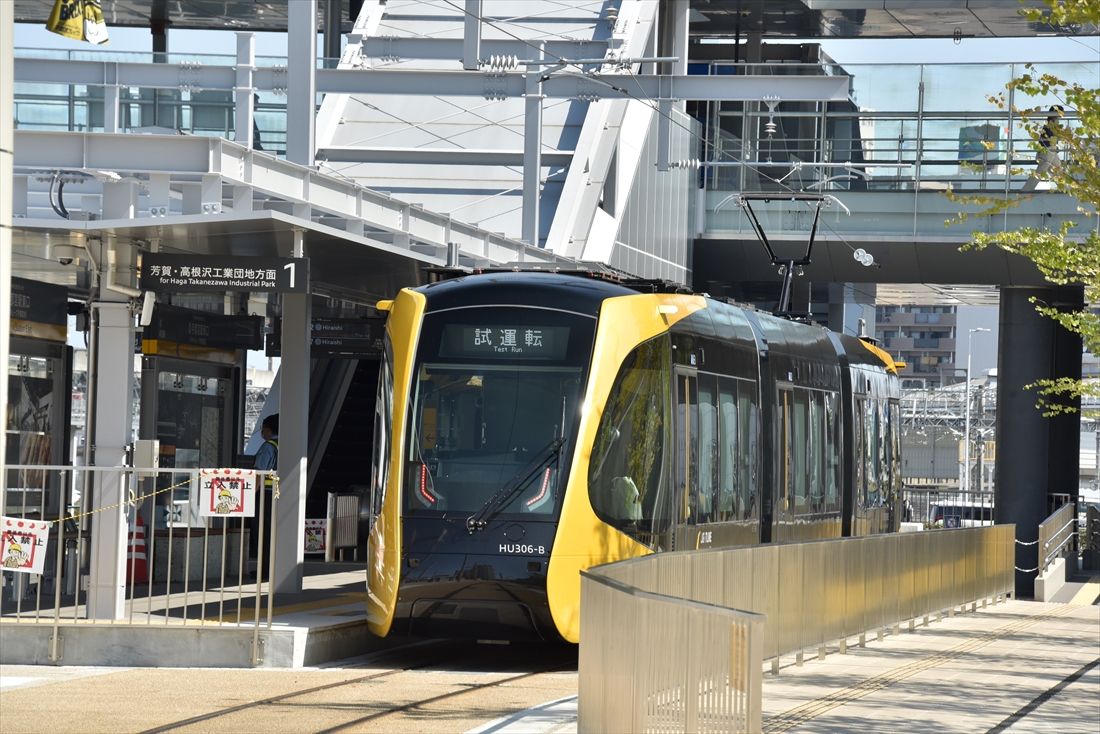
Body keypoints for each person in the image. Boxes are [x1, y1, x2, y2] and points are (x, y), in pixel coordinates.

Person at [249, 414, 278, 579]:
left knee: (262, 532)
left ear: (267, 429)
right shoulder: (286, 444)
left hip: (265, 496)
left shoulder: (268, 446)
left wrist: (251, 494)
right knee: (273, 532)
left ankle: (264, 570)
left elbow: (259, 473)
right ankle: (273, 568)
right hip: (278, 493)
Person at [1022, 105, 1063, 191]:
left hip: (1051, 150)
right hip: (1048, 150)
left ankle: (1063, 188)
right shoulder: (1050, 125)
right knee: (1042, 172)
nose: (1060, 116)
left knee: (1056, 169)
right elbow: (1046, 139)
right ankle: (1026, 190)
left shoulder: (1050, 124)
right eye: (1059, 113)